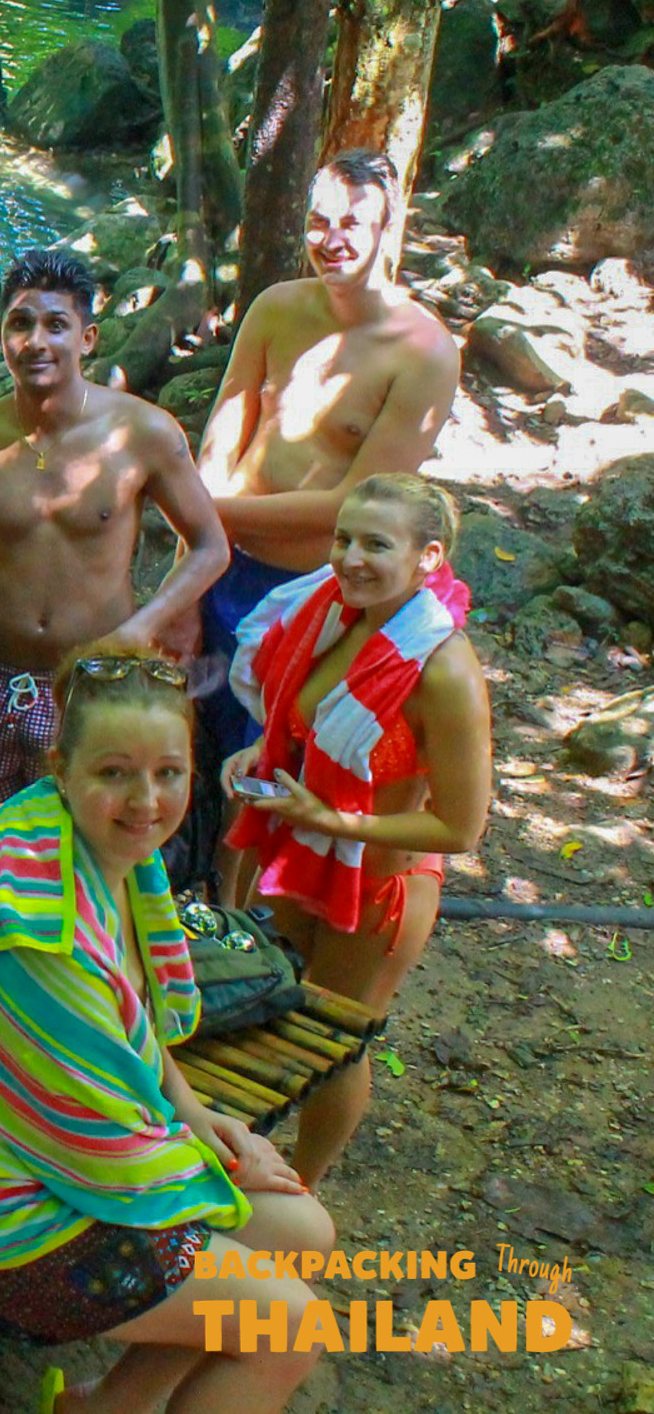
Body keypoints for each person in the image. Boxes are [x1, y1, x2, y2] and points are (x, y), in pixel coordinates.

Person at [0, 643, 335, 1414]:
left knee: (301, 1232)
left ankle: (107, 1408)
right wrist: (214, 1166)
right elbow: (102, 1152)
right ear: (61, 768)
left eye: (168, 772)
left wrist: (200, 1121)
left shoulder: (95, 845)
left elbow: (133, 1034)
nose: (147, 800)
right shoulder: (34, 932)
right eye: (114, 773)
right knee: (286, 1324)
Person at [222, 475, 490, 1188]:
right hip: (302, 853)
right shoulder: (333, 612)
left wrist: (333, 819)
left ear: (428, 557)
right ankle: (241, 1155)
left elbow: (461, 827)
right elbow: (301, 724)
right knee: (273, 1003)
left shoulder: (445, 669)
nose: (349, 558)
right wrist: (263, 755)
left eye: (376, 543)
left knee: (335, 1041)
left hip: (378, 886)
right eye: (343, 538)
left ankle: (298, 1190)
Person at [0, 250, 228, 804]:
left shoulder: (144, 433)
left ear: (88, 338)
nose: (37, 341)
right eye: (21, 323)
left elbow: (209, 546)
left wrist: (142, 628)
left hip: (92, 682)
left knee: (80, 851)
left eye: (57, 325)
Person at [191, 149, 461, 763]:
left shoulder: (424, 354)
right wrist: (193, 568)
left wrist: (204, 514)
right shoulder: (275, 307)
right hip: (219, 566)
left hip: (315, 591)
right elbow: (221, 440)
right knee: (196, 743)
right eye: (319, 221)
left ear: (389, 227)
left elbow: (351, 507)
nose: (331, 239)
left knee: (276, 761)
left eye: (352, 224)